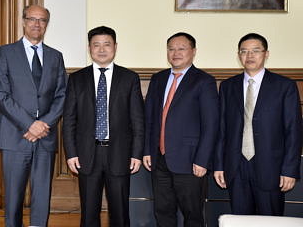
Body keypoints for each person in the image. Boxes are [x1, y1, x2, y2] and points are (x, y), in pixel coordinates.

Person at [0, 5, 67, 227]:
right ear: (23, 21)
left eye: (42, 20)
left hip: (45, 136)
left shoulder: (55, 56)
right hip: (15, 136)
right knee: (13, 195)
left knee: (42, 194)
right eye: (32, 19)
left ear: (47, 24)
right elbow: (1, 94)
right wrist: (29, 124)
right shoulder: (5, 52)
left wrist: (43, 124)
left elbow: (62, 95)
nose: (37, 24)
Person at [62, 26, 145, 226]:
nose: (101, 49)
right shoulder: (76, 79)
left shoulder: (129, 78)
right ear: (89, 48)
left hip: (120, 153)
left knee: (120, 213)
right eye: (96, 45)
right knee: (89, 213)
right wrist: (71, 153)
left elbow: (138, 120)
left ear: (115, 47)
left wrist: (136, 153)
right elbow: (69, 120)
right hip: (87, 154)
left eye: (106, 44)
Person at [214, 33, 302, 215]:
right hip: (236, 166)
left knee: (270, 221)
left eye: (255, 51)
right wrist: (219, 165)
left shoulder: (284, 86)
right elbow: (222, 129)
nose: (249, 56)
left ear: (266, 54)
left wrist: (290, 169)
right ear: (238, 55)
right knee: (240, 221)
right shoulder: (228, 86)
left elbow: (293, 131)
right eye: (244, 51)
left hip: (272, 168)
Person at [143, 32, 219, 227]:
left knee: (192, 215)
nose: (175, 53)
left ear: (193, 52)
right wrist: (147, 151)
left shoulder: (204, 81)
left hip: (191, 162)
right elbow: (150, 118)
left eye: (181, 48)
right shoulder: (158, 78)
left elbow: (211, 125)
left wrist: (203, 160)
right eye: (171, 49)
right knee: (163, 212)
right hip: (159, 160)